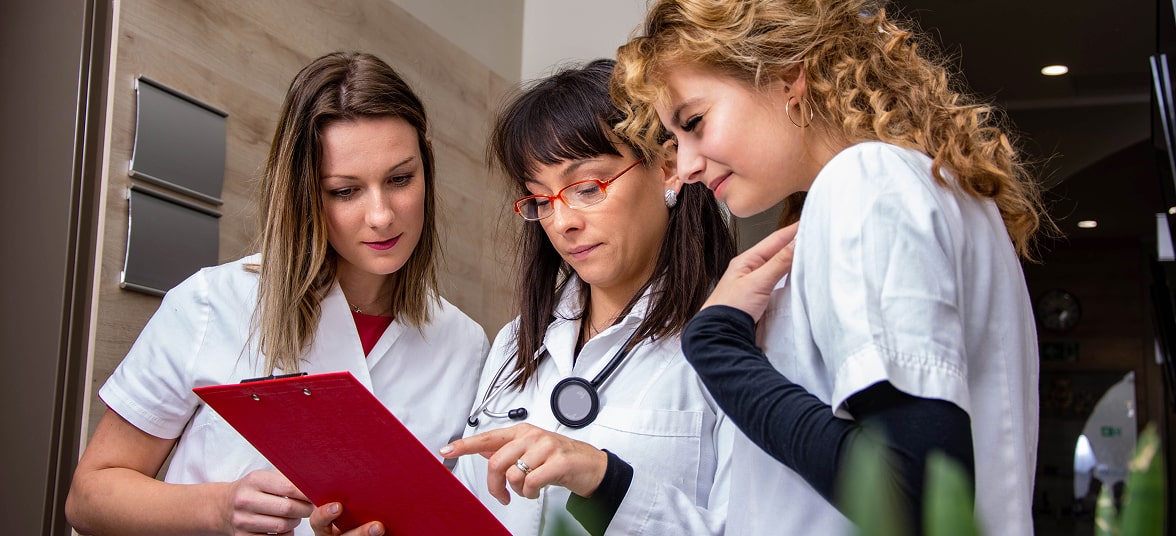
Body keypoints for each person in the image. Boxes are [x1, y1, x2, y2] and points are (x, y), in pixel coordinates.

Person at [611, 1, 1052, 535]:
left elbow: (912, 491)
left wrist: (719, 351)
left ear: (786, 77)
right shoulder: (914, 189)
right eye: (675, 141)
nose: (685, 166)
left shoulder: (868, 182)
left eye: (695, 123)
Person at [64, 51, 489, 536]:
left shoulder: (464, 344)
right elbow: (88, 497)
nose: (381, 216)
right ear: (305, 191)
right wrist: (219, 508)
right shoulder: (213, 303)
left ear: (426, 172)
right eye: (345, 191)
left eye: (399, 179)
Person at [311, 58, 738, 536]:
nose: (562, 221)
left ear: (667, 167)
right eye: (540, 199)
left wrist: (604, 481)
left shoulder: (736, 344)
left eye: (586, 187)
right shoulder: (516, 344)